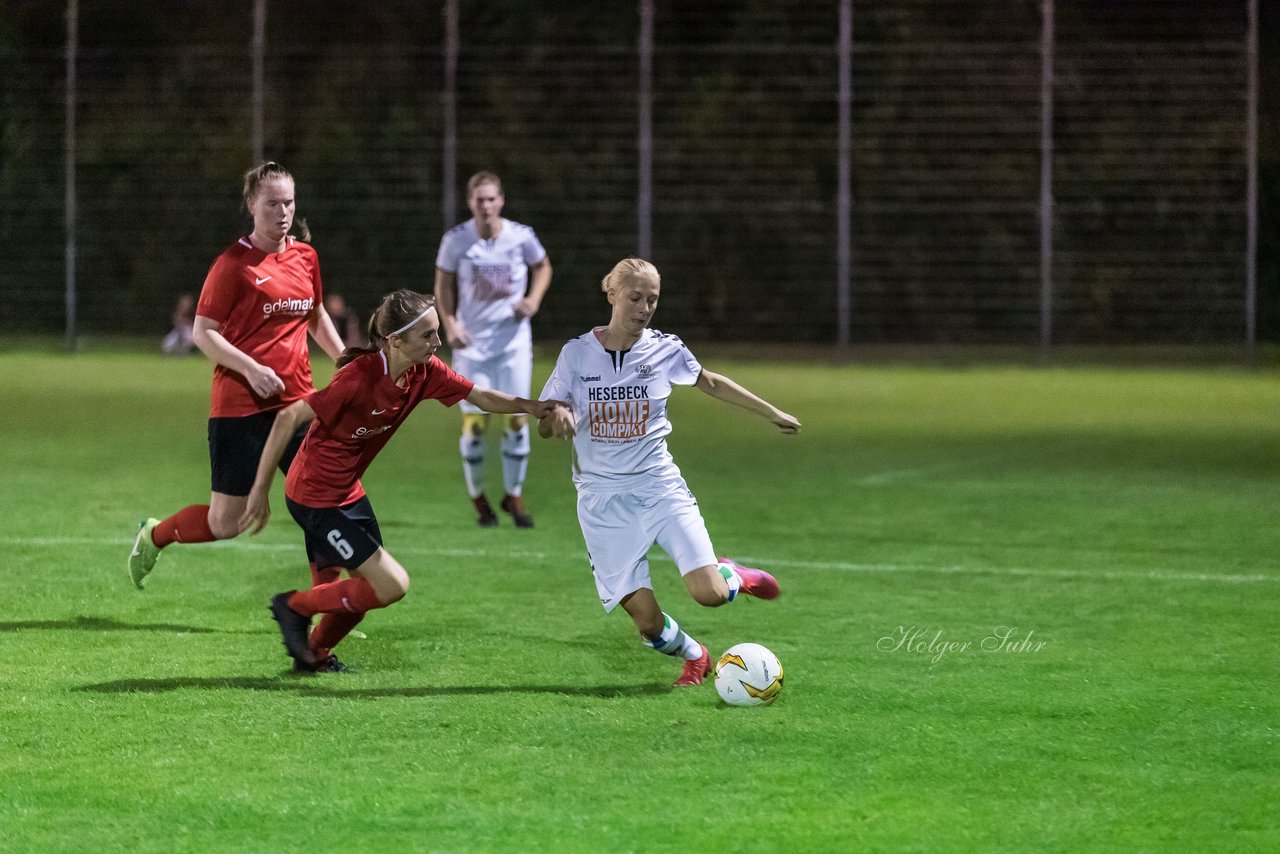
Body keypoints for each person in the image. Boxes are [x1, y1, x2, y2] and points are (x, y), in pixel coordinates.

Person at [239, 289, 558, 672]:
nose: (437, 342)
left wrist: (532, 407)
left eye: (437, 332)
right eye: (427, 335)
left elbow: (480, 395)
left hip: (348, 492)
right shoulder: (358, 376)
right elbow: (288, 417)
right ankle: (291, 606)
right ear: (395, 341)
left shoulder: (425, 373)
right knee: (390, 585)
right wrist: (259, 490)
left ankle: (313, 655)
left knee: (359, 599)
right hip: (314, 497)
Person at [538, 258, 802, 687]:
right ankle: (695, 655)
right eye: (635, 298)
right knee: (647, 624)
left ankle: (732, 574)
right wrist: (559, 418)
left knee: (710, 594)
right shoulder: (577, 354)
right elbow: (546, 421)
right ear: (612, 294)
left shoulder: (665, 349)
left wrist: (771, 412)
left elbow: (710, 382)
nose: (644, 308)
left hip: (659, 487)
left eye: (652, 300)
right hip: (602, 501)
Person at [128, 161, 347, 589]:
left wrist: (346, 362)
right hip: (241, 408)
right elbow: (202, 332)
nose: (282, 213)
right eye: (272, 204)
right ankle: (153, 535)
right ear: (251, 205)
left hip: (299, 403)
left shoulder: (306, 257)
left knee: (325, 501)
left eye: (289, 203)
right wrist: (251, 368)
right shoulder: (232, 265)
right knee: (227, 523)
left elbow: (316, 314)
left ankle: (325, 609)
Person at [434, 171, 552, 529]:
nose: (485, 206)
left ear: (501, 201)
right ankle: (479, 499)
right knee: (474, 426)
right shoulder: (456, 240)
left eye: (491, 199)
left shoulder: (521, 236)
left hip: (513, 345)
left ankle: (513, 495)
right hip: (472, 348)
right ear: (470, 203)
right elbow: (443, 283)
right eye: (479, 200)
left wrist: (533, 299)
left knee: (518, 421)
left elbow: (543, 266)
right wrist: (450, 322)